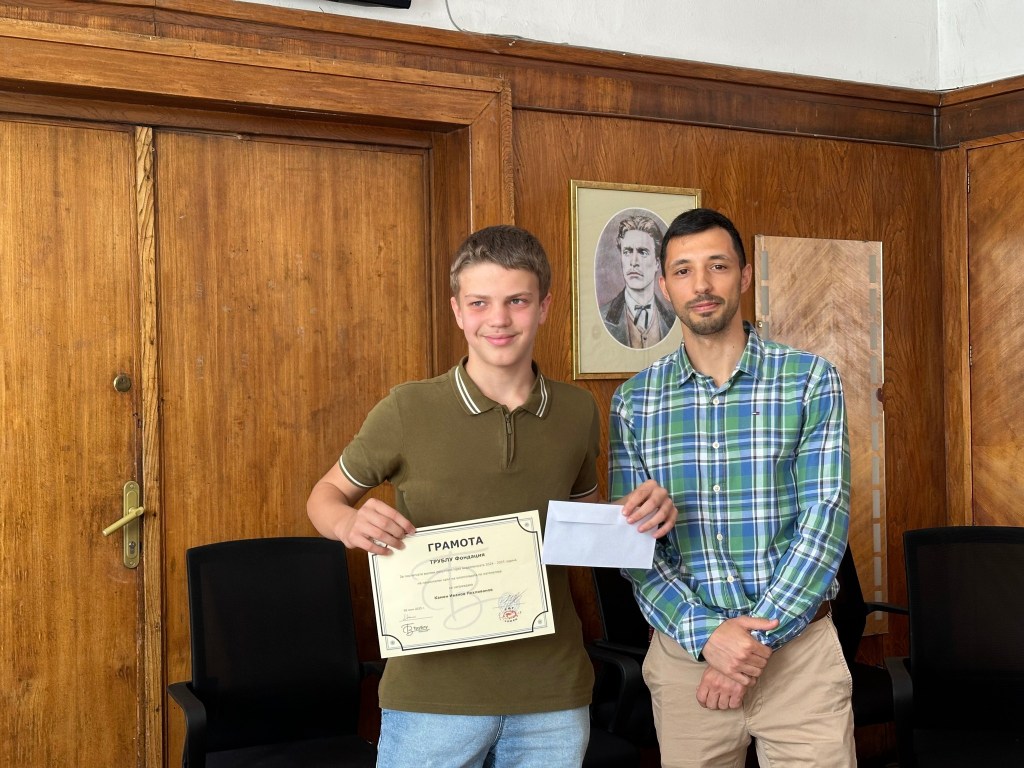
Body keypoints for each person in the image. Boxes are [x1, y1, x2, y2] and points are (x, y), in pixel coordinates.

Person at [307, 224, 677, 768]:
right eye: (480, 303)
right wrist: (346, 523)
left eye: (516, 301)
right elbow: (324, 496)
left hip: (552, 692)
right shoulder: (407, 409)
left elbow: (583, 525)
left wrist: (638, 516)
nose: (498, 319)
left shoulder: (578, 411)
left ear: (544, 307)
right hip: (431, 697)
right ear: (458, 311)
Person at [608, 208, 853, 767]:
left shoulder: (810, 379)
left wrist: (748, 647)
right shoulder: (634, 403)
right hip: (686, 664)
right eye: (683, 271)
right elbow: (634, 549)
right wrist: (708, 638)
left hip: (800, 662)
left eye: (717, 266)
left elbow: (824, 522)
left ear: (743, 276)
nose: (701, 284)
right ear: (665, 286)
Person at [600, 213, 676, 349]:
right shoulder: (602, 317)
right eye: (627, 252)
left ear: (657, 263)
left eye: (643, 252)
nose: (633, 262)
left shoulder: (673, 320)